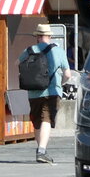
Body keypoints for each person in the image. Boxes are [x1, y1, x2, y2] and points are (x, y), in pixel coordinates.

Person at [19, 24, 74, 164]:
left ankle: (41, 149)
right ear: (50, 36)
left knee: (37, 122)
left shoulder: (29, 50)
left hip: (33, 92)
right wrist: (60, 84)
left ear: (37, 36)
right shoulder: (58, 51)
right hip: (52, 91)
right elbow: (67, 74)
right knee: (47, 119)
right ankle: (42, 151)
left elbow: (17, 64)